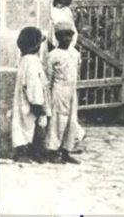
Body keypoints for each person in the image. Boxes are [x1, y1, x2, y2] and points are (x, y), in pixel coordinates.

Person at [48, 0, 85, 150]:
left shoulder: (67, 11)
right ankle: (55, 146)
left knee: (71, 111)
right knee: (58, 114)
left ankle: (69, 143)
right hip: (60, 56)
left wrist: (72, 45)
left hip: (70, 56)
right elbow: (52, 36)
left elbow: (73, 32)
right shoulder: (52, 12)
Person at [45, 21, 81, 164]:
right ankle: (53, 151)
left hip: (72, 90)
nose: (68, 38)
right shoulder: (53, 55)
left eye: (70, 35)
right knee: (58, 121)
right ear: (58, 37)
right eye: (64, 36)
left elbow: (76, 71)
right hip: (59, 90)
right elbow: (49, 76)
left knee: (71, 121)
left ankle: (66, 150)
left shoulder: (75, 53)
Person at [11, 27, 49, 163]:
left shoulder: (24, 60)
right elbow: (33, 84)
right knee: (31, 125)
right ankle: (27, 153)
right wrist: (37, 103)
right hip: (31, 100)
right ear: (36, 45)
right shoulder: (32, 61)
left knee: (22, 124)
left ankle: (25, 151)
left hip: (24, 99)